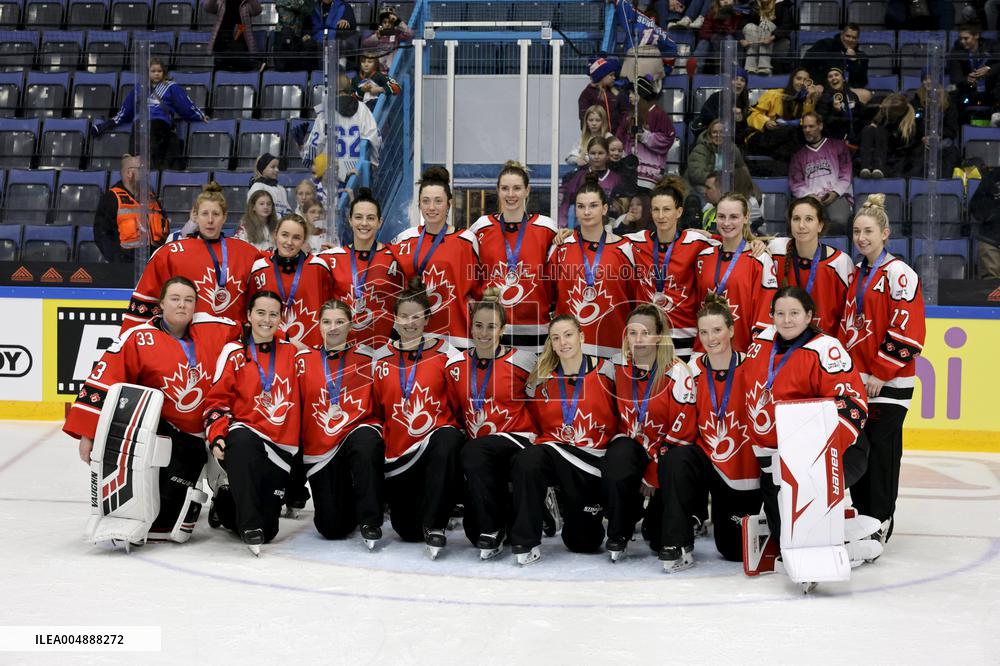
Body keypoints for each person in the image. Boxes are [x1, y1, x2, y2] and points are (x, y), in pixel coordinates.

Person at [64, 277, 240, 544]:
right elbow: (104, 380)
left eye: (189, 300)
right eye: (175, 299)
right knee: (166, 527)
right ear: (161, 304)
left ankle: (222, 496)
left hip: (219, 432)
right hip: (175, 441)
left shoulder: (216, 329)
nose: (182, 305)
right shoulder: (138, 338)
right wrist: (88, 434)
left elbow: (261, 327)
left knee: (237, 514)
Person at [743, 286, 868, 546]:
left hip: (830, 455)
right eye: (780, 313)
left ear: (809, 315)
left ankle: (846, 539)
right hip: (778, 458)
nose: (786, 320)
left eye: (794, 313)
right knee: (784, 537)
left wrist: (820, 460)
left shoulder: (827, 350)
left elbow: (853, 405)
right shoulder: (761, 344)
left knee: (809, 525)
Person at [838, 194, 926, 544]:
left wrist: (880, 373)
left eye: (869, 231)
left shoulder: (899, 274)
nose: (862, 237)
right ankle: (862, 518)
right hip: (859, 385)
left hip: (888, 384)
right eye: (857, 231)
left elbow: (907, 331)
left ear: (885, 233)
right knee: (859, 452)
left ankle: (881, 519)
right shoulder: (857, 273)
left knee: (884, 453)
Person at [656, 294, 761, 571]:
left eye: (717, 330)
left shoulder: (752, 367)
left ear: (731, 330)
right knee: (675, 457)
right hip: (707, 460)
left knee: (734, 551)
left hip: (742, 468)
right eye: (704, 332)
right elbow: (684, 423)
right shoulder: (692, 369)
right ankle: (679, 539)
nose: (711, 338)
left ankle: (706, 515)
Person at [512, 315, 620, 564]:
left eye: (568, 335)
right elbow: (533, 420)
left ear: (581, 337)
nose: (563, 342)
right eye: (556, 338)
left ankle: (578, 507)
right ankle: (525, 540)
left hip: (593, 461)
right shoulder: (540, 379)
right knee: (528, 459)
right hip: (556, 454)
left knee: (584, 543)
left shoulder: (607, 371)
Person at [371, 280, 465, 557]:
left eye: (417, 316)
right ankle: (424, 515)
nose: (410, 323)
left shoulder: (447, 353)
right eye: (403, 316)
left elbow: (460, 405)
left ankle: (436, 525)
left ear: (427, 318)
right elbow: (375, 411)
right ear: (394, 319)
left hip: (435, 448)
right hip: (399, 457)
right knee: (409, 531)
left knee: (447, 436)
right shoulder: (380, 358)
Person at [203, 290, 302, 554]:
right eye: (260, 312)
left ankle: (224, 502)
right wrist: (218, 436)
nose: (266, 319)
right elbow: (216, 401)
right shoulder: (234, 352)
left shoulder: (293, 353)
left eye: (273, 314)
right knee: (243, 440)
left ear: (281, 319)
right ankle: (249, 526)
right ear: (248, 316)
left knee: (268, 530)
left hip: (281, 447)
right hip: (246, 437)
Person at [450, 290, 539, 558]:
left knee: (474, 451)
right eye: (478, 325)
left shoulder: (524, 360)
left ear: (503, 329)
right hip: (479, 446)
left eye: (491, 326)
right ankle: (491, 523)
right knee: (471, 533)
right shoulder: (456, 364)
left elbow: (539, 405)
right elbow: (454, 409)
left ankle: (492, 528)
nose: (484, 332)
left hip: (517, 438)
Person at [607, 304, 697, 561]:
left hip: (666, 459)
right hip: (634, 452)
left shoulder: (677, 372)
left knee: (657, 539)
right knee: (619, 451)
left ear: (659, 336)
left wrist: (653, 473)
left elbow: (684, 432)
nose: (638, 339)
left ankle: (668, 526)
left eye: (645, 332)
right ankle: (619, 532)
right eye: (632, 332)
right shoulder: (617, 367)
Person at [295, 299, 385, 548]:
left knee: (366, 441)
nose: (332, 327)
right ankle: (351, 503)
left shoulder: (368, 358)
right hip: (321, 448)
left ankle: (370, 520)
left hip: (355, 434)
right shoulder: (303, 359)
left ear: (351, 324)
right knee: (331, 528)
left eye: (339, 322)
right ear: (319, 325)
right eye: (326, 322)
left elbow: (381, 404)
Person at [122, 183, 261, 332]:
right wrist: (129, 341)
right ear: (195, 215)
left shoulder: (247, 252)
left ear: (225, 217)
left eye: (216, 214)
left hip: (233, 344)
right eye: (204, 213)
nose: (210, 220)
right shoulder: (170, 253)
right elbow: (145, 301)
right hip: (188, 344)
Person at [467, 161, 558, 353]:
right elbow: (470, 273)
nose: (510, 194)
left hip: (536, 330)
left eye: (517, 188)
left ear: (527, 190)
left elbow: (556, 274)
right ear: (498, 191)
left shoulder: (546, 227)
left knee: (533, 383)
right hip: (491, 330)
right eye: (505, 188)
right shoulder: (481, 227)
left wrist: (565, 236)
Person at [388, 167, 481, 349]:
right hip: (413, 335)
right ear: (419, 205)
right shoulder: (404, 239)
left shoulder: (466, 241)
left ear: (449, 204)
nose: (431, 207)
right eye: (426, 201)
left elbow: (478, 288)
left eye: (438, 201)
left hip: (456, 337)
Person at [548, 176, 640, 359]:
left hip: (612, 350)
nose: (587, 212)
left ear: (604, 208)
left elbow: (634, 300)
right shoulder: (561, 247)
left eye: (593, 205)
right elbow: (550, 295)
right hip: (569, 352)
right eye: (581, 206)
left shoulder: (625, 249)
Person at [626, 176, 716, 360]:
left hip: (684, 337)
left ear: (679, 211)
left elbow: (731, 247)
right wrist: (570, 235)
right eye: (656, 210)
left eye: (667, 209)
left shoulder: (695, 242)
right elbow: (603, 241)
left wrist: (755, 245)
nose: (661, 216)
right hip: (648, 338)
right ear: (650, 212)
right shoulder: (637, 241)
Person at [693, 193, 777, 351]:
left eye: (733, 217)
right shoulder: (704, 257)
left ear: (746, 218)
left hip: (742, 353)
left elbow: (764, 313)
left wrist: (756, 354)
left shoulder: (759, 259)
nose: (726, 223)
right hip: (705, 351)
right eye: (721, 216)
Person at [320, 188, 402, 349]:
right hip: (342, 348)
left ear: (380, 222)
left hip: (382, 349)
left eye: (370, 218)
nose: (364, 223)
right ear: (350, 220)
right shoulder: (331, 259)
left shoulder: (395, 258)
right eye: (358, 217)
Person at [93, 59, 207, 170]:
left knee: (153, 162)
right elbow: (125, 112)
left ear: (164, 72)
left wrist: (200, 116)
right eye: (153, 71)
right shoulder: (139, 88)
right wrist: (103, 126)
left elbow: (185, 105)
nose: (156, 74)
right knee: (136, 161)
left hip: (159, 125)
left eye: (159, 71)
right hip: (139, 126)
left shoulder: (171, 87)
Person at [767, 196, 853, 334]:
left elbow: (847, 316)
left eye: (809, 219)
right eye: (796, 219)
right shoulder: (776, 249)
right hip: (783, 340)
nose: (801, 225)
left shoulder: (840, 263)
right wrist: (756, 245)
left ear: (820, 225)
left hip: (824, 346)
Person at [248, 214, 332, 348]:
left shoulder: (318, 267)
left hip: (311, 350)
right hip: (271, 350)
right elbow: (251, 315)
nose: (289, 242)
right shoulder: (259, 268)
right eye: (284, 235)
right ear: (276, 235)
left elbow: (330, 311)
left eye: (296, 237)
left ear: (304, 240)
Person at [93, 154, 169, 263]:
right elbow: (102, 234)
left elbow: (163, 227)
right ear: (130, 173)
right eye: (141, 169)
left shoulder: (152, 197)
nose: (147, 173)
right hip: (125, 267)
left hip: (155, 263)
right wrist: (117, 260)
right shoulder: (112, 198)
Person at [788, 113, 854, 235]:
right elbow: (796, 183)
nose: (807, 130)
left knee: (839, 222)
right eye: (804, 127)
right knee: (803, 226)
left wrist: (835, 193)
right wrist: (809, 196)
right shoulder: (798, 155)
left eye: (811, 126)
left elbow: (846, 174)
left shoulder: (838, 146)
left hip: (836, 197)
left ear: (820, 126)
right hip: (810, 200)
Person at [746, 68, 822, 171]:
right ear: (792, 80)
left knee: (799, 135)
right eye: (798, 78)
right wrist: (766, 122)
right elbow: (752, 114)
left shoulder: (804, 100)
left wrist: (809, 99)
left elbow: (806, 122)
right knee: (793, 132)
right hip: (760, 137)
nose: (801, 83)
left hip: (783, 143)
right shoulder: (774, 94)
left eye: (805, 80)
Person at [615, 75, 676, 191]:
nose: (630, 96)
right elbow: (619, 137)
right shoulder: (629, 115)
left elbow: (668, 138)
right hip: (629, 170)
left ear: (642, 94)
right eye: (629, 93)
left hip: (649, 175)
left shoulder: (658, 114)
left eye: (633, 93)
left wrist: (644, 136)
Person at [559, 137, 624, 228]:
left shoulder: (616, 179)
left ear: (607, 155)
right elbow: (566, 204)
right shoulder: (578, 177)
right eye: (593, 153)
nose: (596, 157)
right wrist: (562, 227)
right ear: (587, 155)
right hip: (581, 227)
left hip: (609, 228)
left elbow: (621, 207)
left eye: (600, 153)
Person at [856, 94, 924, 178]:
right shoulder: (876, 113)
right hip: (874, 155)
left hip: (895, 161)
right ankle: (865, 167)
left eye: (885, 109)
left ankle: (879, 168)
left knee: (880, 131)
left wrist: (881, 132)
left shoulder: (911, 125)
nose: (881, 108)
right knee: (868, 129)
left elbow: (902, 147)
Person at [803, 23, 871, 100]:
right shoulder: (825, 45)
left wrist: (853, 61)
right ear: (842, 34)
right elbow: (805, 65)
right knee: (814, 92)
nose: (850, 40)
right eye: (848, 36)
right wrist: (816, 84)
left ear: (857, 39)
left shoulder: (861, 57)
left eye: (854, 37)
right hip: (823, 87)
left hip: (846, 91)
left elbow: (861, 83)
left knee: (866, 94)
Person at [948, 23, 999, 122]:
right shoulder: (956, 52)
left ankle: (997, 116)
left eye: (966, 38)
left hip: (990, 90)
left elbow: (998, 64)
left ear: (976, 36)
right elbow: (956, 78)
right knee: (953, 95)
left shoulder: (991, 46)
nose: (962, 41)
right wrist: (969, 79)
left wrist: (988, 69)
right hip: (969, 90)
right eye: (960, 38)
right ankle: (957, 131)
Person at [685, 119, 749, 197]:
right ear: (709, 134)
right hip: (701, 185)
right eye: (714, 132)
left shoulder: (733, 149)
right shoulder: (700, 149)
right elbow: (696, 174)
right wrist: (717, 181)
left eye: (721, 132)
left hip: (726, 187)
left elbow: (742, 169)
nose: (718, 135)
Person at [202, 0, 262, 72]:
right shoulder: (220, 1)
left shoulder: (245, 3)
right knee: (223, 63)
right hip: (222, 36)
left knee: (234, 58)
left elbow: (257, 10)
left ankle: (255, 65)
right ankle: (255, 65)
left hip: (240, 35)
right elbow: (208, 8)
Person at [691, 70, 750, 141]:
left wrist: (739, 120)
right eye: (735, 79)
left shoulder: (745, 102)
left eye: (742, 80)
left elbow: (743, 130)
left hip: (732, 140)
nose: (738, 83)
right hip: (713, 135)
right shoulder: (717, 97)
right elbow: (705, 116)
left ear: (745, 85)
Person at [578, 56, 629, 134]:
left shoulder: (617, 92)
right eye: (611, 75)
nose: (614, 78)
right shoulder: (587, 94)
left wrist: (618, 136)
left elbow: (625, 114)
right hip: (597, 141)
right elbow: (584, 120)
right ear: (601, 76)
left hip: (617, 141)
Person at [815, 67, 864, 145]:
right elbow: (823, 125)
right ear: (828, 81)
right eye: (830, 76)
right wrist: (836, 111)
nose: (833, 78)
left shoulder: (852, 96)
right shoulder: (824, 98)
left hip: (854, 138)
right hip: (834, 139)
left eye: (836, 75)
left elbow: (859, 118)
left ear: (843, 79)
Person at [969, 164, 1000, 278]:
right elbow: (975, 205)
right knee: (989, 288)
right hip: (990, 239)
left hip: (990, 237)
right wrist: (991, 215)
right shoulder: (992, 177)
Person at [361, 7, 414, 71]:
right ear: (381, 23)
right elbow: (365, 44)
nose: (387, 24)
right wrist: (377, 36)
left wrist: (398, 21)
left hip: (392, 69)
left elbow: (410, 33)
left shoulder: (397, 34)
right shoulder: (377, 34)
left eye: (390, 22)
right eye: (384, 22)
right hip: (378, 69)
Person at [248, 154, 293, 219]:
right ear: (262, 169)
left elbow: (287, 209)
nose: (277, 170)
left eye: (277, 167)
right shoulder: (257, 187)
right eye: (273, 167)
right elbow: (256, 213)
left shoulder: (281, 189)